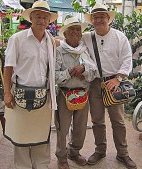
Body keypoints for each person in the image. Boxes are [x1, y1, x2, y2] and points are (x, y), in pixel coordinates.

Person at [3, 0, 58, 169]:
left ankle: (41, 165)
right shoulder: (17, 39)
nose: (41, 20)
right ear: (31, 18)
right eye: (38, 17)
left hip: (44, 94)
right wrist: (7, 93)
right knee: (21, 135)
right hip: (20, 93)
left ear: (49, 21)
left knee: (42, 134)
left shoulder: (51, 41)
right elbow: (8, 67)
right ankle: (23, 166)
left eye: (45, 17)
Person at [82, 3, 137, 169]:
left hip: (115, 83)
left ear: (108, 19)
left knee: (118, 121)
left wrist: (118, 78)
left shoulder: (119, 37)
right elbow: (69, 40)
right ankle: (100, 150)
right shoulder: (87, 37)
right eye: (96, 17)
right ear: (92, 20)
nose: (99, 20)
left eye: (102, 17)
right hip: (95, 83)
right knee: (97, 120)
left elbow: (127, 59)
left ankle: (123, 154)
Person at [55, 17, 97, 169]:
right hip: (65, 94)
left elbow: (93, 73)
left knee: (80, 127)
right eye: (71, 29)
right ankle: (61, 156)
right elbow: (54, 76)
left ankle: (74, 151)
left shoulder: (85, 50)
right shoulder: (59, 51)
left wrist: (84, 69)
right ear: (65, 33)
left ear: (81, 33)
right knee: (63, 127)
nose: (75, 32)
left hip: (83, 94)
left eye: (78, 29)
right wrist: (70, 72)